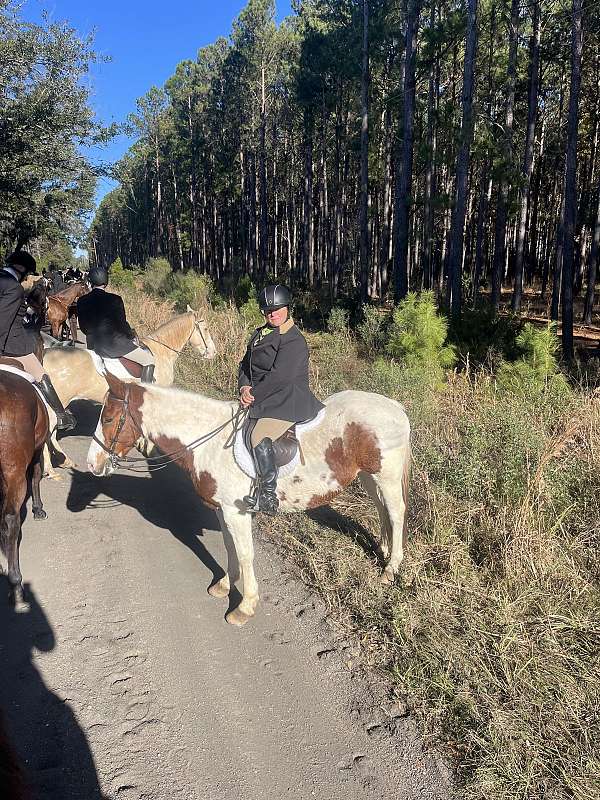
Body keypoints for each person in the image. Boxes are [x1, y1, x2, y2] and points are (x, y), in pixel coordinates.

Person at [238, 284, 324, 515]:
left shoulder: (293, 340)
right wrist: (244, 385)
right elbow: (245, 364)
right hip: (264, 395)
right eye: (268, 310)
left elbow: (280, 377)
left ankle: (267, 496)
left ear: (287, 308)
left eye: (277, 309)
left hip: (288, 400)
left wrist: (252, 396)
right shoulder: (260, 333)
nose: (272, 313)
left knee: (258, 435)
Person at [0, 251, 76, 430]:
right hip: (11, 345)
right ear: (20, 268)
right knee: (41, 373)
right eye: (26, 274)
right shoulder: (13, 287)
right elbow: (3, 323)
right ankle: (61, 415)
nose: (26, 278)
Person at [76, 266, 155, 382]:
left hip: (95, 345)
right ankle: (147, 393)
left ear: (90, 281)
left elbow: (84, 328)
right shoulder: (115, 299)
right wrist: (131, 335)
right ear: (106, 281)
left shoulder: (82, 301)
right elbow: (121, 325)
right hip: (115, 346)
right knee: (149, 360)